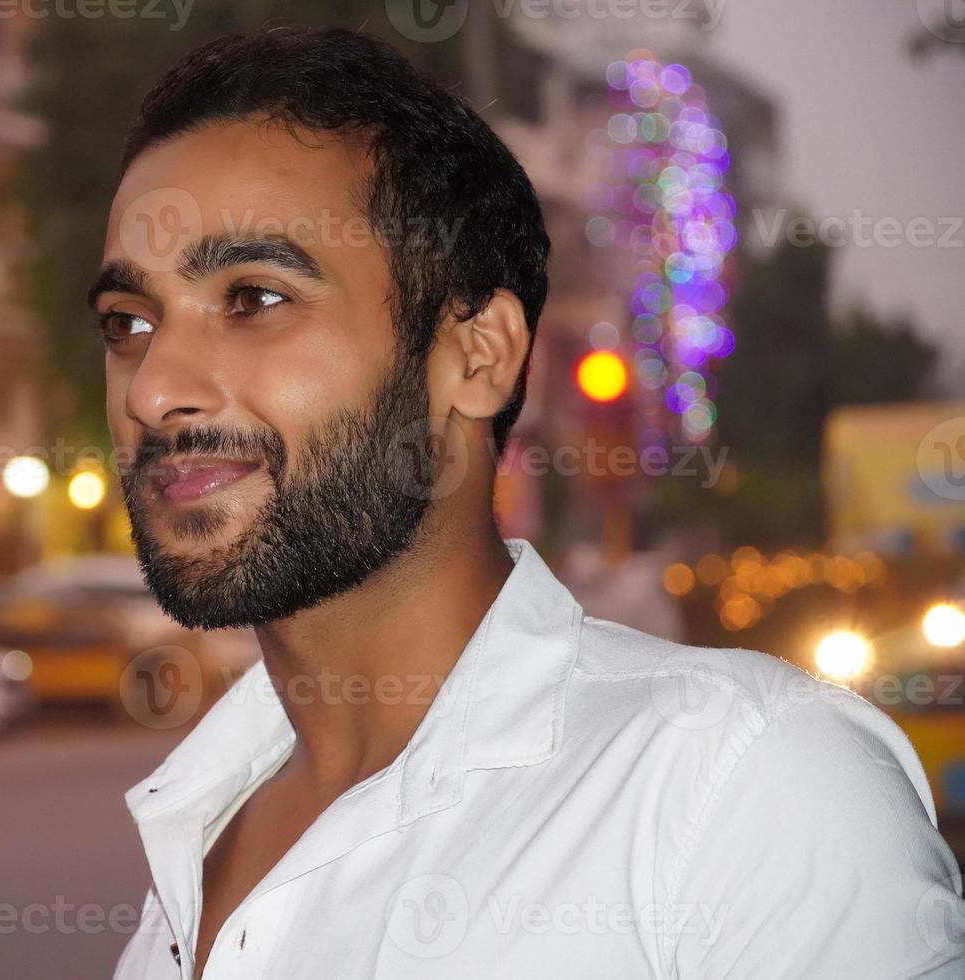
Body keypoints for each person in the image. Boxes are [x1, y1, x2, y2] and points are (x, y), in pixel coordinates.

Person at [89, 27, 965, 979]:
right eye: (129, 322)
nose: (151, 387)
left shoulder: (741, 792)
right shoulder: (199, 822)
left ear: (478, 354)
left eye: (254, 299)